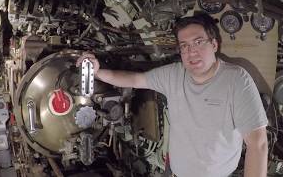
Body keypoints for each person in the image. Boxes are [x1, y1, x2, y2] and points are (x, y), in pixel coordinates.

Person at [76, 13, 268, 177]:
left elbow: (257, 144)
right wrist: (98, 71)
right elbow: (134, 80)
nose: (191, 51)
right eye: (184, 46)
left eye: (198, 42)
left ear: (214, 44)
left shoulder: (236, 80)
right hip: (174, 171)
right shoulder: (174, 74)